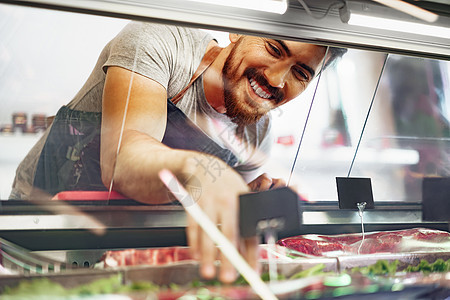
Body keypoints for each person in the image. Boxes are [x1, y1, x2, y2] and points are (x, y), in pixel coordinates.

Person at [10, 21, 346, 282]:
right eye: (274, 49)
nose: (276, 78)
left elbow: (219, 219)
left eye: (301, 73)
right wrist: (201, 169)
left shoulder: (258, 129)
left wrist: (247, 199)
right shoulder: (160, 40)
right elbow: (122, 160)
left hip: (141, 254)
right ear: (237, 31)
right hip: (40, 235)